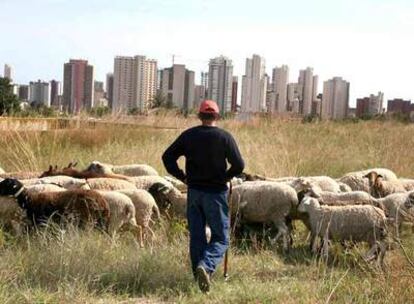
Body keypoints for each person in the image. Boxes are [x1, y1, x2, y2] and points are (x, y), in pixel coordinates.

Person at [162, 100, 245, 293]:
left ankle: (198, 280)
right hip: (215, 194)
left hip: (195, 193)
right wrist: (225, 177)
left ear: (200, 116)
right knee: (221, 238)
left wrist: (182, 177)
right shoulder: (225, 137)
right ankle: (206, 267)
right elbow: (239, 165)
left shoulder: (189, 136)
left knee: (197, 237)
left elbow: (167, 157)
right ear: (217, 116)